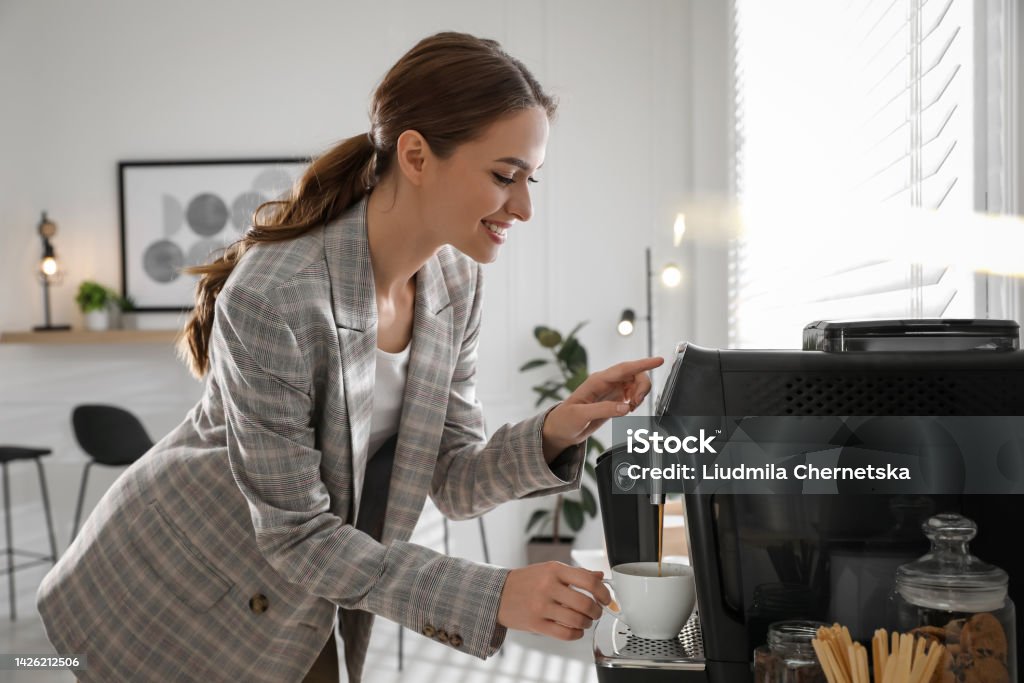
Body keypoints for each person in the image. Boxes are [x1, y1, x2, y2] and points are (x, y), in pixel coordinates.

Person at [36, 31, 662, 682]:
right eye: (505, 176)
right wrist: (493, 592)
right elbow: (297, 533)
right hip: (173, 590)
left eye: (530, 179)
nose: (526, 207)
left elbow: (450, 476)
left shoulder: (455, 283)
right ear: (416, 155)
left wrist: (557, 428)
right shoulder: (274, 295)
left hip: (300, 595)